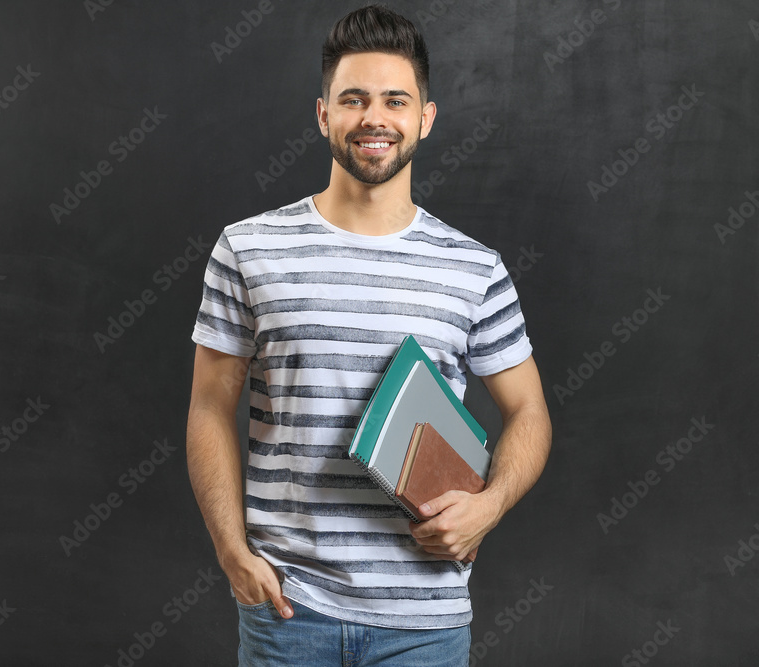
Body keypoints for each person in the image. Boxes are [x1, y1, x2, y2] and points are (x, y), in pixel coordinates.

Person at [185, 4, 552, 665]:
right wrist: (231, 549)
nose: (374, 118)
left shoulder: (474, 268)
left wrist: (490, 505)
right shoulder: (247, 249)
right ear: (324, 114)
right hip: (288, 612)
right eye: (353, 99)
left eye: (394, 100)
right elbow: (210, 406)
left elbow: (530, 411)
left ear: (424, 119)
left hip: (425, 622)